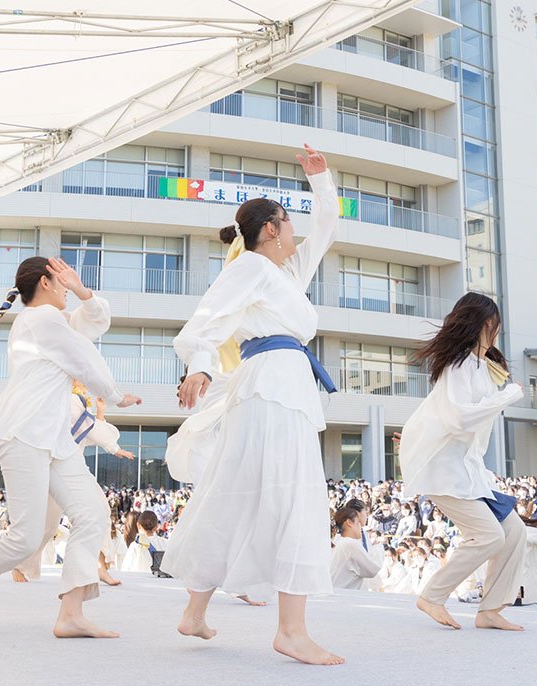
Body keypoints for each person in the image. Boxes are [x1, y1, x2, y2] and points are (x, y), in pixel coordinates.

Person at [162, 144, 344, 665]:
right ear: (271, 230)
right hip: (270, 387)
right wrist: (199, 365)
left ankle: (195, 612)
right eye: (288, 223)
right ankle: (291, 630)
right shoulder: (250, 269)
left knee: (233, 494)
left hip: (280, 385)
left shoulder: (287, 276)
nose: (295, 232)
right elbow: (204, 322)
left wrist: (321, 178)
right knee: (296, 498)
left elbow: (327, 224)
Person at [0, 256, 140, 637]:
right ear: (46, 283)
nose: (67, 286)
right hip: (25, 434)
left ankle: (71, 614)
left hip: (54, 439)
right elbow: (85, 359)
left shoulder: (49, 322)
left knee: (93, 514)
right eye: (62, 280)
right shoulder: (41, 320)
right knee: (27, 536)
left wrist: (83, 292)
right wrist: (114, 397)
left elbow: (92, 324)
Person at [396, 292, 526, 631]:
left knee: (513, 530)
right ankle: (432, 596)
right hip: (445, 470)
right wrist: (508, 395)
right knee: (488, 536)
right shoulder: (458, 365)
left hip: (468, 469)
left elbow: (442, 418)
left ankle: (490, 610)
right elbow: (457, 419)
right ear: (487, 324)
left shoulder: (481, 365)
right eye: (496, 325)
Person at [12, 382, 136, 584]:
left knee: (100, 510)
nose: (87, 382)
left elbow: (86, 434)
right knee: (48, 525)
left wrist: (101, 413)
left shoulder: (78, 401)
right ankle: (21, 565)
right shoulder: (66, 399)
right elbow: (90, 430)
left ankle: (99, 566)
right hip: (58, 467)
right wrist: (113, 448)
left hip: (74, 466)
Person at [330, 505, 382, 591]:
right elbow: (373, 570)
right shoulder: (350, 543)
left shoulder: (340, 541)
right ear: (349, 522)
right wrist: (378, 547)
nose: (360, 527)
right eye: (358, 523)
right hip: (344, 597)